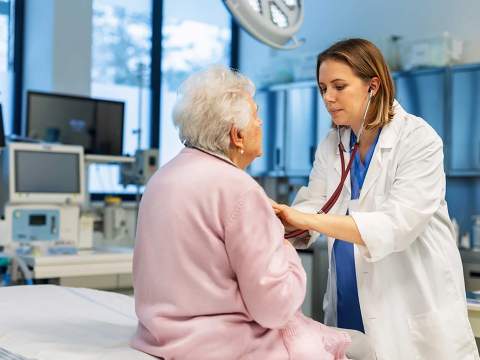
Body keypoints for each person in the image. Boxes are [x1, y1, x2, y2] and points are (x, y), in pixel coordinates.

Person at [131, 66, 373, 359]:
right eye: (256, 115)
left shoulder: (161, 179)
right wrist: (281, 247)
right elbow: (275, 309)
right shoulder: (239, 189)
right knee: (362, 346)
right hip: (226, 346)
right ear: (237, 136)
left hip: (162, 338)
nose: (261, 122)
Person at [273, 38, 479, 360]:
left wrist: (303, 218)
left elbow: (396, 225)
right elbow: (313, 204)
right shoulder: (333, 144)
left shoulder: (418, 139)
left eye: (339, 86)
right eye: (323, 87)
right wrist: (278, 222)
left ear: (373, 85)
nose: (328, 97)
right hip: (347, 307)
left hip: (407, 317)